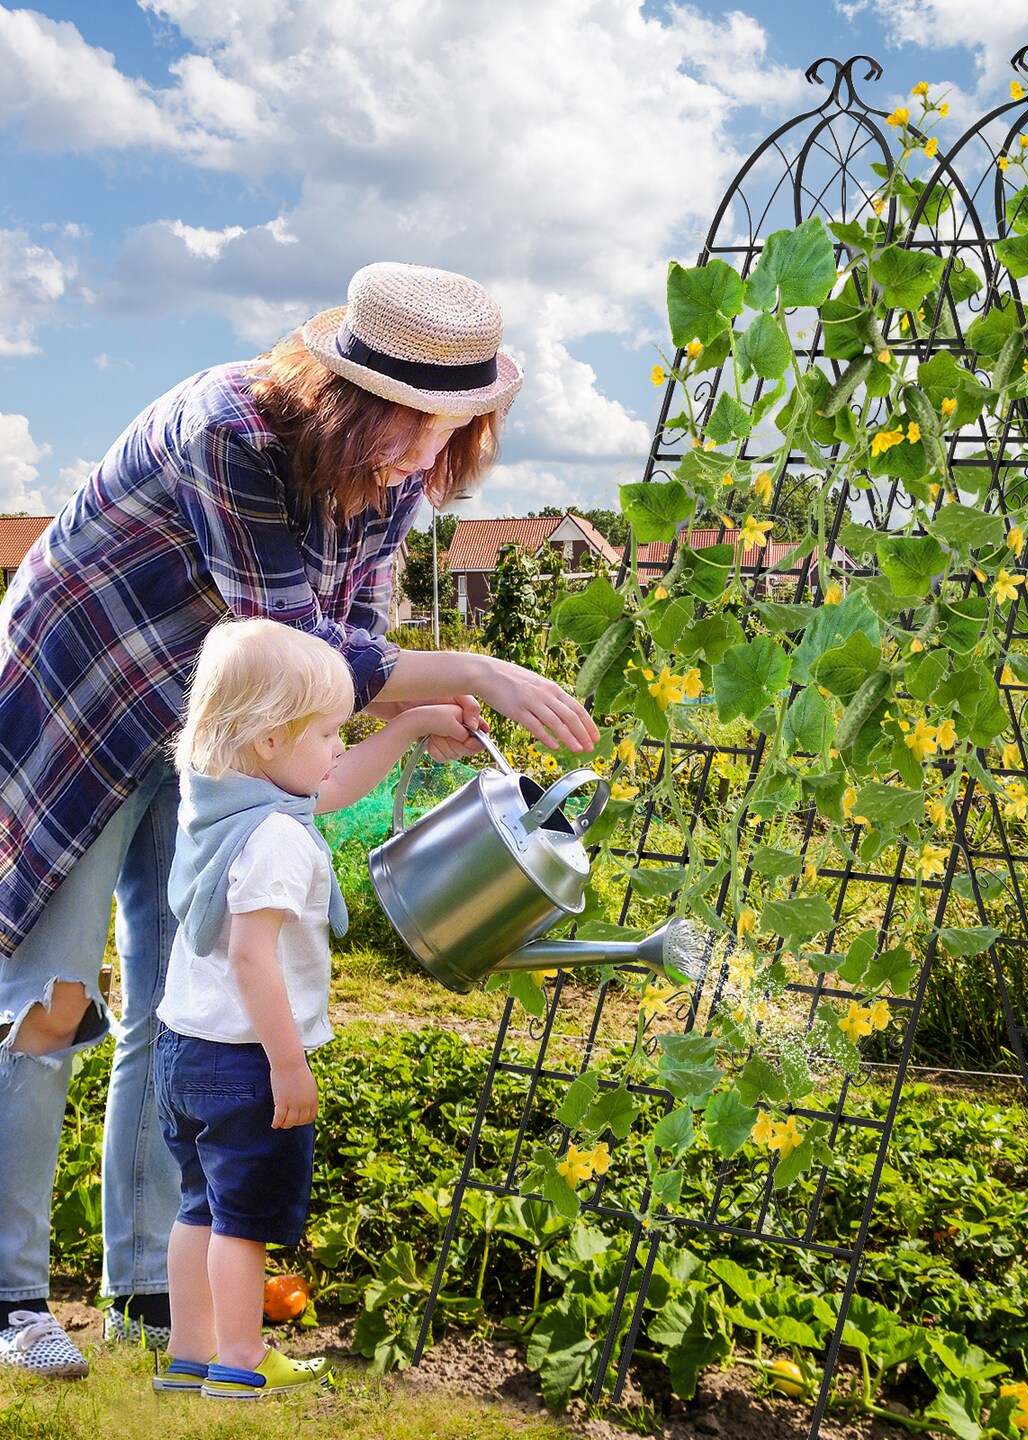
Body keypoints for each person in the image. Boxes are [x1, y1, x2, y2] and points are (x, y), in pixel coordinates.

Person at [0, 262, 600, 1379]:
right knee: (51, 1001)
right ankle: (11, 1298)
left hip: (223, 735)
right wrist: (473, 667)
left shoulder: (397, 474)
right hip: (88, 699)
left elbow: (347, 651)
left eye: (452, 428)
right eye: (411, 422)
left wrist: (413, 713)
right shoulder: (229, 431)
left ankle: (148, 1291)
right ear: (346, 395)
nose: (425, 454)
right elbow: (295, 645)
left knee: (182, 1001)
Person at [153, 618, 463, 1398]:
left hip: (182, 1047)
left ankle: (190, 1355)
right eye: (326, 733)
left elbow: (330, 785)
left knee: (198, 1207)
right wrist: (288, 1065)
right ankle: (241, 1361)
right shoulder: (276, 840)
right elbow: (253, 960)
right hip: (247, 1059)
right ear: (268, 740)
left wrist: (412, 725)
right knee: (243, 1222)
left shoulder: (215, 797)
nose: (337, 747)